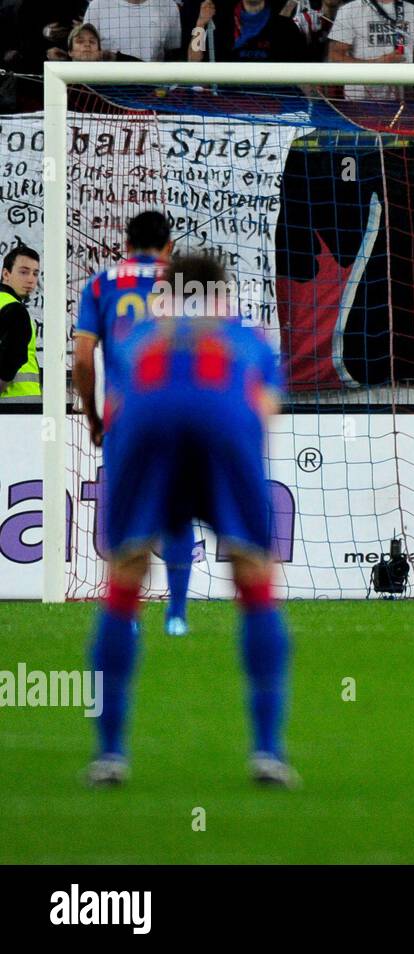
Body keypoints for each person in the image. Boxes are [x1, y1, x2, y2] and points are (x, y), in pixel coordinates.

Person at [84, 252, 295, 788]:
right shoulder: (249, 337)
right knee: (255, 581)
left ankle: (110, 756)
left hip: (147, 427)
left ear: (167, 293)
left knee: (125, 581)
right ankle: (267, 753)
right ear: (223, 294)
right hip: (225, 425)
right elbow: (265, 408)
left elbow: (117, 406)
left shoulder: (137, 340)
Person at [73, 212, 197, 638]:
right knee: (178, 513)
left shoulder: (99, 284)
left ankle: (126, 616)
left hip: (126, 418)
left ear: (127, 244)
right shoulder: (189, 282)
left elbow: (83, 360)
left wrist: (92, 416)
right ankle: (177, 614)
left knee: (130, 515)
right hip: (180, 415)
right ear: (169, 247)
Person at [328, 0, 414, 100]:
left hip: (403, 99)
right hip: (360, 100)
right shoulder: (349, 10)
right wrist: (377, 63)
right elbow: (335, 57)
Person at [188, 0, 311, 61]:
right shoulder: (222, 23)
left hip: (276, 103)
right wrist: (200, 23)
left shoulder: (285, 27)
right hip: (228, 100)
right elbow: (193, 61)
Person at [0, 246, 40, 401]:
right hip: (19, 405)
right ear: (6, 274)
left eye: (35, 274)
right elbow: (13, 357)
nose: (31, 279)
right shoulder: (15, 309)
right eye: (23, 272)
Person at [82, 0, 183, 61]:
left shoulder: (169, 6)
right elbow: (84, 55)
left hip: (152, 90)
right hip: (106, 89)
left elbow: (172, 52)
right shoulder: (97, 6)